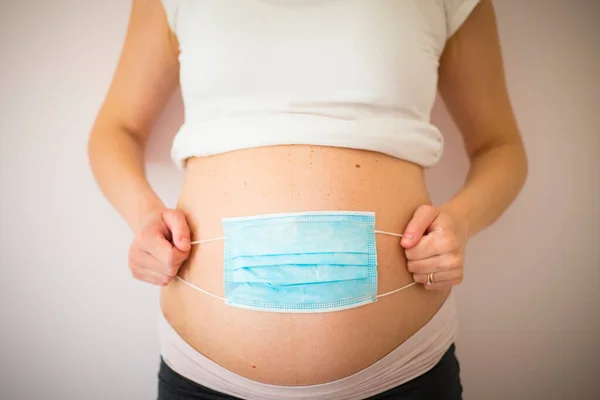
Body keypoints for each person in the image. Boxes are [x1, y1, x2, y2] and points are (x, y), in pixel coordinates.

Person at [88, 0, 527, 399]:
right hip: (206, 377)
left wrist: (461, 221)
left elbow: (500, 146)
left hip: (402, 372)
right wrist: (143, 215)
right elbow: (116, 129)